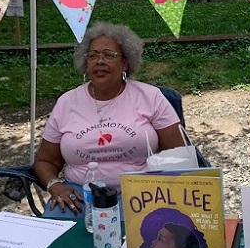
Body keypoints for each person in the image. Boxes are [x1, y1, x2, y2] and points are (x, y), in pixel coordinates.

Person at [34, 22, 185, 216]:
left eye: (109, 55)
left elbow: (178, 156)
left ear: (125, 62)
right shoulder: (67, 102)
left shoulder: (151, 97)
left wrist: (159, 190)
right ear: (85, 63)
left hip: (143, 193)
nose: (100, 61)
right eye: (93, 56)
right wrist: (55, 185)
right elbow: (45, 160)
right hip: (80, 196)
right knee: (58, 240)